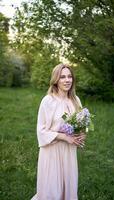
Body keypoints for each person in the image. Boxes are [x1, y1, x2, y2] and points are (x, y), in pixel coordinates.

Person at [31, 63, 86, 200]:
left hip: (69, 151)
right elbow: (41, 131)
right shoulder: (48, 101)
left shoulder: (75, 100)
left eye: (69, 76)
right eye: (62, 77)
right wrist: (63, 137)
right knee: (52, 189)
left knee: (68, 186)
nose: (67, 80)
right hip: (52, 151)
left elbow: (81, 123)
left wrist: (82, 133)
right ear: (56, 80)